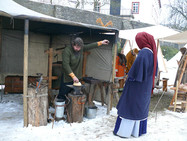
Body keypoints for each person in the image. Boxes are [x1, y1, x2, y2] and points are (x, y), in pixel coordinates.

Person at [113, 32, 157, 138]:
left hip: (137, 86)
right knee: (140, 107)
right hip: (145, 86)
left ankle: (124, 132)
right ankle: (136, 131)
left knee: (130, 106)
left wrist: (129, 77)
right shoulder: (152, 53)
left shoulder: (144, 53)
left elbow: (137, 72)